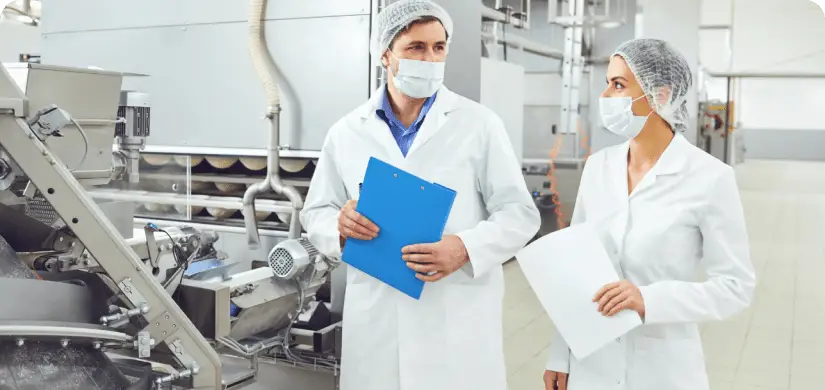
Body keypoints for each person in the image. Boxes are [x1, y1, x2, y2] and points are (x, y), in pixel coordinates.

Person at [300, 1, 541, 389]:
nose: (429, 58)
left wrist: (464, 247)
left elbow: (519, 213)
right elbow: (317, 212)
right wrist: (338, 228)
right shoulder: (346, 133)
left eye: (438, 47)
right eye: (415, 47)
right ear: (385, 54)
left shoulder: (479, 125)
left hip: (455, 315)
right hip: (377, 320)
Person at [543, 38, 756, 390]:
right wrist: (559, 355)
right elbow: (575, 268)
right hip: (590, 364)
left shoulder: (710, 178)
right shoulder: (598, 168)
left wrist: (650, 299)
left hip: (662, 370)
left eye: (618, 85)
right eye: (607, 84)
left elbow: (735, 287)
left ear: (660, 95)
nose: (606, 96)